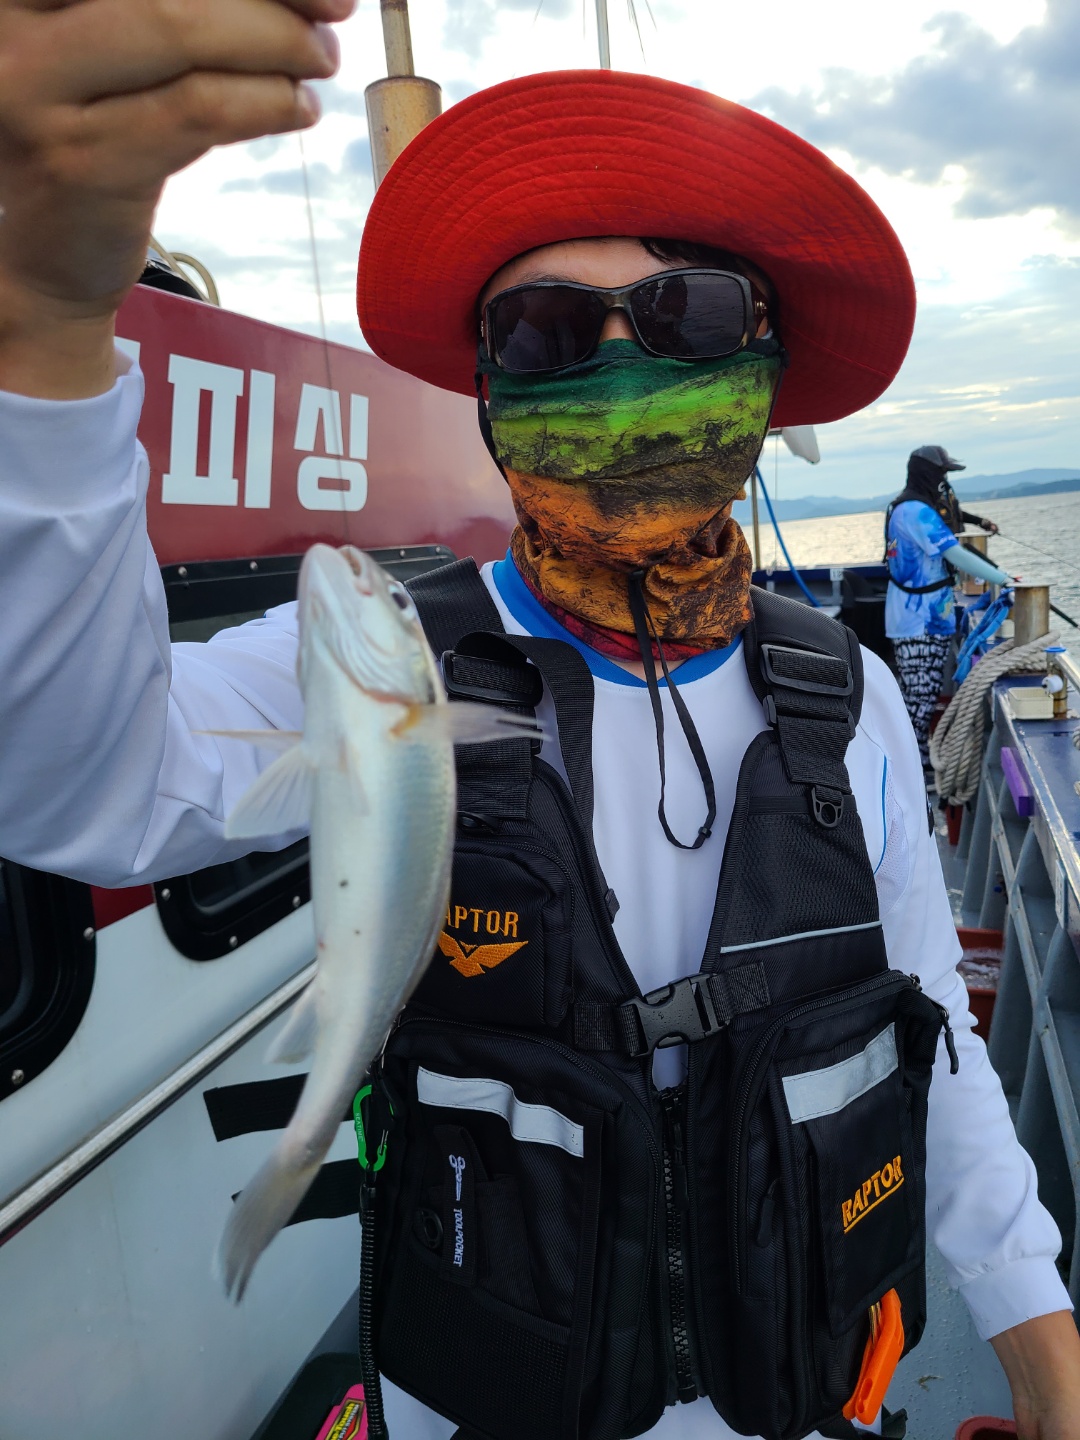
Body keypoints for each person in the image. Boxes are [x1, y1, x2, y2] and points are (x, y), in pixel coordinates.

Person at [0, 4, 1078, 1438]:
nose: (620, 368)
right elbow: (79, 788)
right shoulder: (388, 665)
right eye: (546, 329)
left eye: (689, 315)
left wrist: (1032, 1321)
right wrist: (45, 328)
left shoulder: (852, 691)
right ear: (491, 387)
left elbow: (925, 1027)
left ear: (761, 367)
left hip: (795, 1387)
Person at [885, 446, 1011, 773]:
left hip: (920, 618)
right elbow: (955, 554)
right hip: (918, 622)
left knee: (918, 697)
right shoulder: (917, 512)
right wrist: (1004, 579)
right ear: (928, 474)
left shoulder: (904, 506)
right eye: (941, 473)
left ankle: (915, 763)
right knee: (920, 699)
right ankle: (911, 770)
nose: (944, 480)